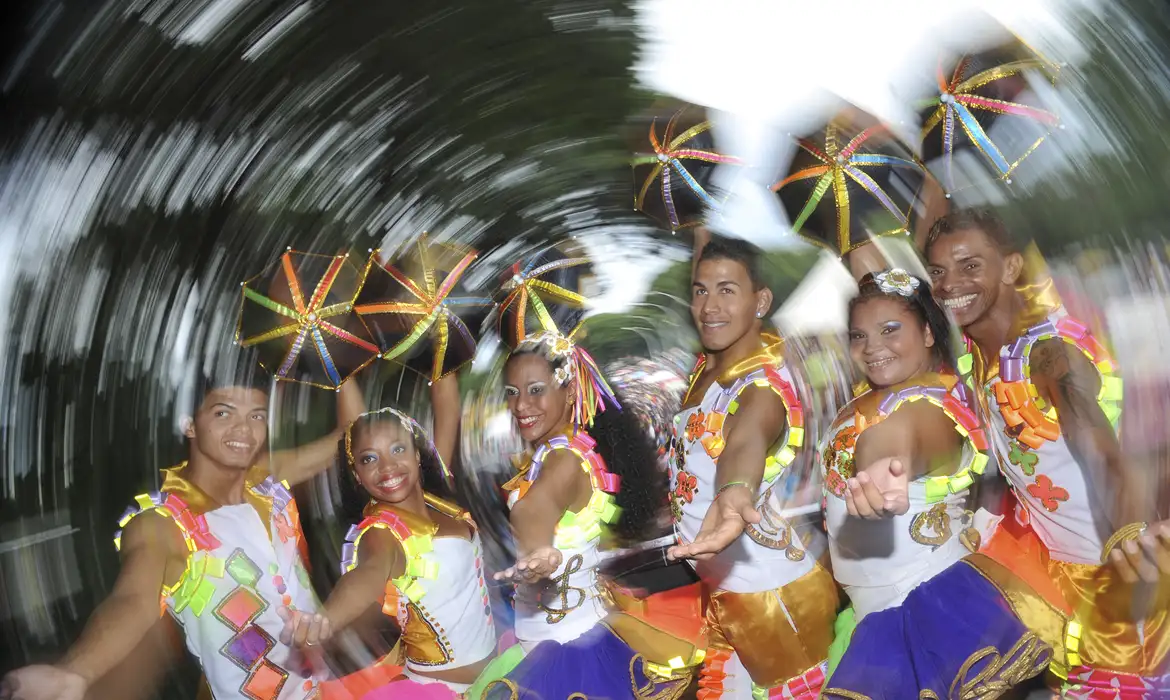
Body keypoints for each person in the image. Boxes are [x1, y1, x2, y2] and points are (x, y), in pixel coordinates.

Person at [0, 366, 365, 700]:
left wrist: (336, 363)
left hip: (333, 687)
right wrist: (76, 672)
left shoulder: (265, 478)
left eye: (256, 416)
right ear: (190, 424)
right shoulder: (164, 522)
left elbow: (352, 436)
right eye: (223, 413)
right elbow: (133, 600)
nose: (243, 430)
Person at [925, 208, 1170, 696]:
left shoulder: (1047, 352)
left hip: (1116, 577)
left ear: (1011, 267)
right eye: (937, 271)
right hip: (1054, 575)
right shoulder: (979, 357)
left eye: (970, 265)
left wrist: (1130, 540)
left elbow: (1101, 451)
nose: (949, 284)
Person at [818, 269, 1056, 698]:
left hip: (928, 619)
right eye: (859, 335)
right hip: (872, 617)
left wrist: (881, 469)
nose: (872, 347)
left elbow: (901, 435)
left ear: (928, 333)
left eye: (890, 330)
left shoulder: (934, 405)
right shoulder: (871, 397)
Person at [666, 236, 838, 699]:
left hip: (774, 597)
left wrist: (733, 493)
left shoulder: (761, 388)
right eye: (701, 291)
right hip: (727, 593)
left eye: (727, 290)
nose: (710, 306)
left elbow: (745, 442)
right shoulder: (707, 371)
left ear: (760, 302)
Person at [483, 328, 692, 699]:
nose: (520, 405)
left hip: (566, 656)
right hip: (561, 635)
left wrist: (538, 550)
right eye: (512, 392)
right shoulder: (570, 449)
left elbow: (535, 509)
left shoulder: (562, 460)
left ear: (570, 391)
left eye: (535, 389)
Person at [279, 408, 497, 699]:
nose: (387, 467)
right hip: (447, 692)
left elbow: (447, 409)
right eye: (369, 459)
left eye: (397, 449)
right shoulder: (381, 533)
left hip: (498, 672)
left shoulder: (438, 502)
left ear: (416, 454)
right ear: (357, 474)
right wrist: (325, 620)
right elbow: (370, 571)